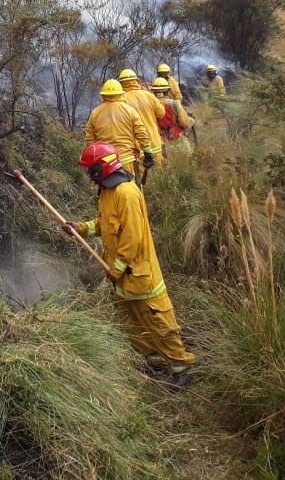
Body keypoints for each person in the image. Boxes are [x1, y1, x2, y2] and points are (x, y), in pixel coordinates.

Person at [66, 142, 197, 378]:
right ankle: (155, 360)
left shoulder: (126, 193)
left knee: (160, 322)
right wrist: (82, 228)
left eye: (90, 170)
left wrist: (117, 268)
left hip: (140, 275)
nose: (88, 176)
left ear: (99, 170)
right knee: (134, 323)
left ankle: (182, 365)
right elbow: (105, 224)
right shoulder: (107, 193)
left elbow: (132, 237)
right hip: (121, 279)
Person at [82, 79, 157, 180]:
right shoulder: (130, 111)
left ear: (103, 95)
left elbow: (90, 139)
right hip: (127, 160)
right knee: (131, 190)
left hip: (105, 163)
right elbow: (141, 133)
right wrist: (148, 153)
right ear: (121, 94)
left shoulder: (95, 113)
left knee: (107, 191)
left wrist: (94, 161)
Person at [117, 68, 166, 165]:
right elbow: (161, 113)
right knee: (160, 174)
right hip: (155, 143)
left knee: (145, 177)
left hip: (138, 147)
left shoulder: (120, 101)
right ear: (136, 81)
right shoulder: (148, 95)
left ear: (121, 84)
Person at [152, 77, 194, 157]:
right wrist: (191, 120)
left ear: (153, 91)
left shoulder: (150, 106)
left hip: (159, 142)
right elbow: (184, 122)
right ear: (167, 91)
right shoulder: (174, 103)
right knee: (186, 159)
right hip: (177, 138)